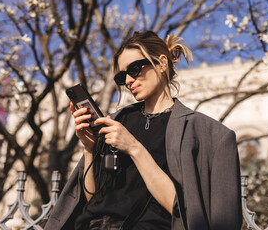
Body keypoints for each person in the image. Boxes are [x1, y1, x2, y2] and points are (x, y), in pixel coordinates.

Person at [44, 31, 242, 230]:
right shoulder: (116, 122)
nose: (129, 80)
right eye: (122, 76)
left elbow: (181, 210)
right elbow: (93, 199)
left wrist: (134, 148)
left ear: (162, 63)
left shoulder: (203, 132)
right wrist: (89, 149)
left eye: (135, 68)